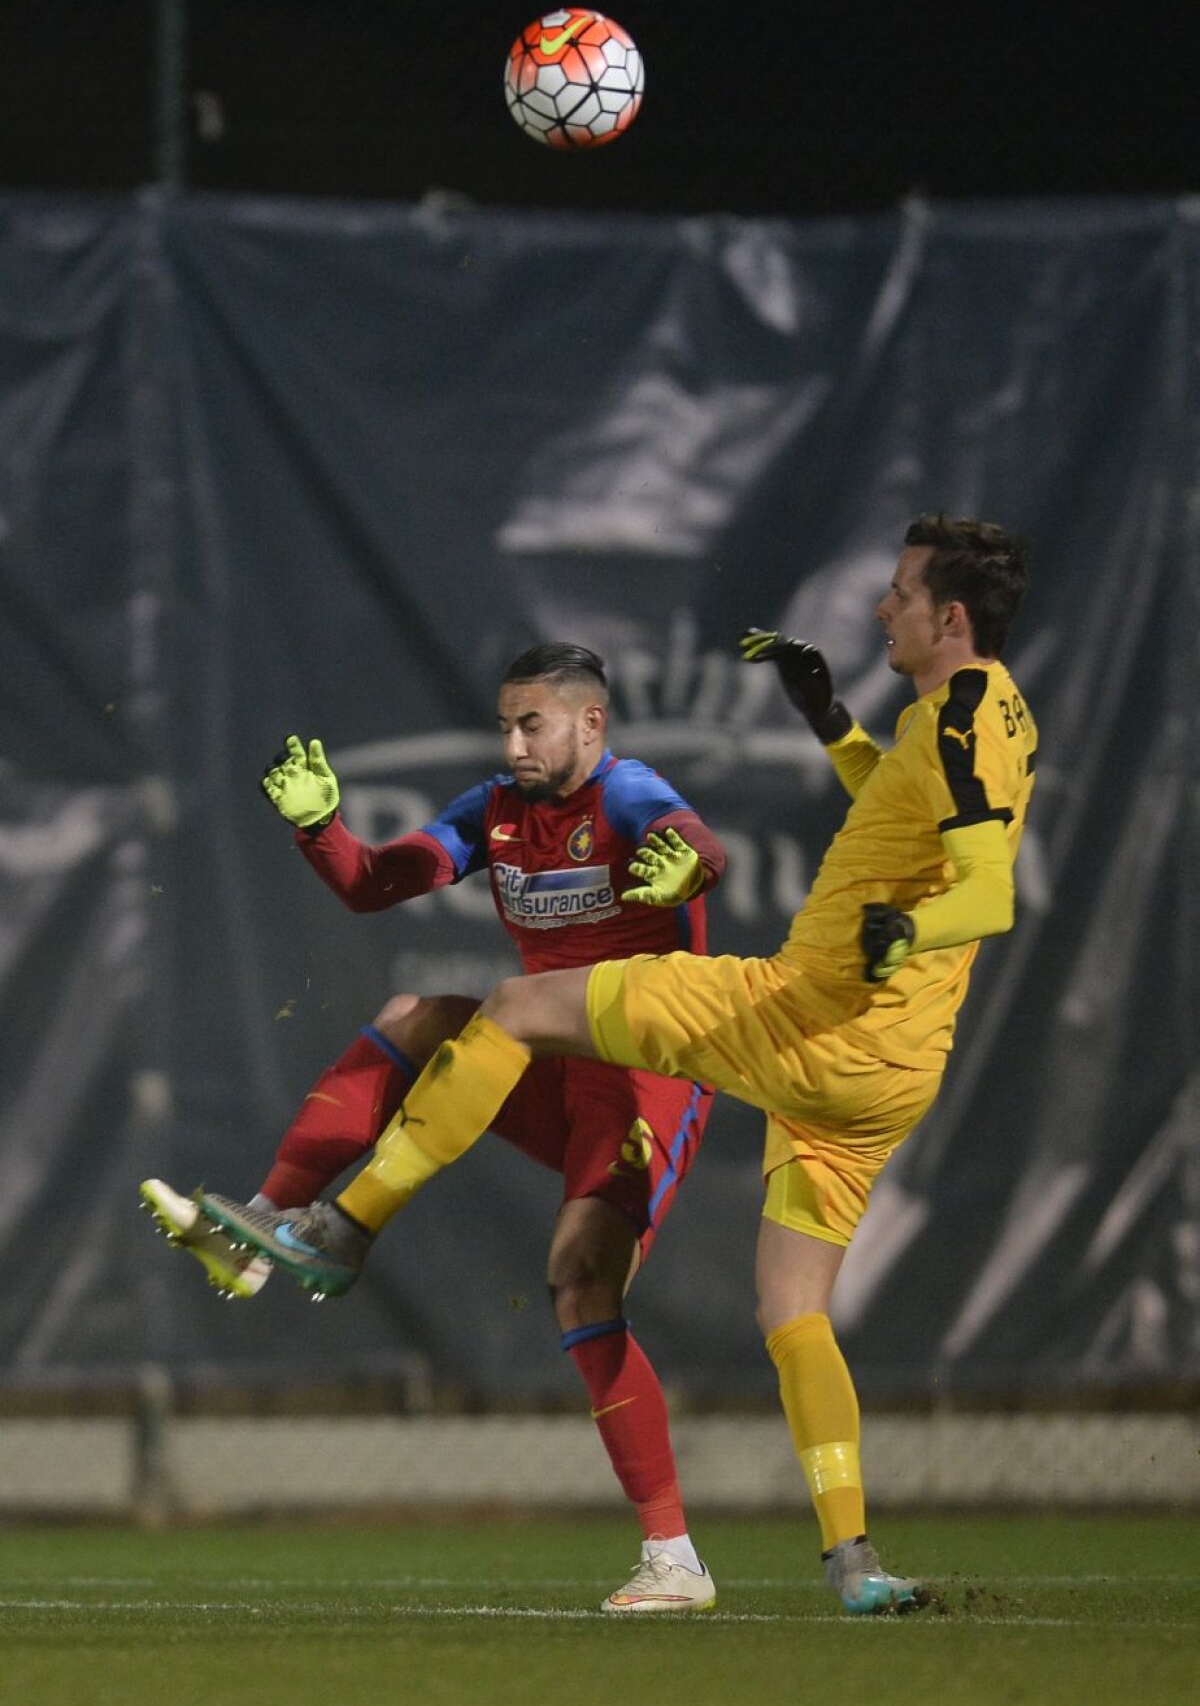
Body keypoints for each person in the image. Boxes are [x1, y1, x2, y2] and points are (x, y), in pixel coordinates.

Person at [204, 514, 1037, 1616]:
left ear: (951, 616)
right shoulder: (967, 714)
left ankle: (342, 1228)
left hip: (814, 1017)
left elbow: (985, 889)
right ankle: (854, 1562)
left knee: (512, 1011)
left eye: (900, 592)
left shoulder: (950, 714)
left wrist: (897, 930)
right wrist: (832, 723)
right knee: (792, 1312)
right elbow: (907, 809)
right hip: (886, 1074)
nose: (882, 606)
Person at [143, 641, 727, 1616]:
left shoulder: (628, 796)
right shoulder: (496, 809)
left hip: (647, 1082)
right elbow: (376, 882)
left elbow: (699, 845)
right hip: (550, 1066)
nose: (513, 743)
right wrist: (320, 828)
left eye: (531, 724)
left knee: (580, 1280)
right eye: (505, 724)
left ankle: (674, 1555)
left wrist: (688, 872)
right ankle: (264, 1226)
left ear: (592, 724)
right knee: (417, 1015)